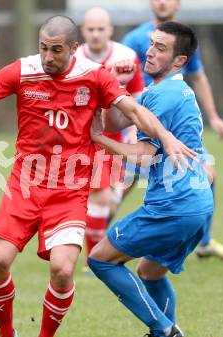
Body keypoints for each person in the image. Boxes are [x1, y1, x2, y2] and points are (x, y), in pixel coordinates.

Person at [0, 15, 196, 337]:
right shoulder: (22, 71)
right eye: (43, 48)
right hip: (24, 185)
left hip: (69, 190)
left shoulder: (94, 77)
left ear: (74, 49)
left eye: (56, 50)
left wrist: (165, 137)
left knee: (63, 269)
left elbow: (135, 111)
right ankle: (7, 333)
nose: (48, 57)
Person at [89, 21, 213, 337]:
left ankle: (164, 330)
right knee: (149, 272)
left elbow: (143, 154)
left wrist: (101, 141)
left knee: (100, 260)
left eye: (160, 48)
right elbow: (117, 117)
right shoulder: (162, 90)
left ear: (179, 61)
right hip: (196, 205)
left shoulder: (165, 95)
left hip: (173, 205)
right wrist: (114, 85)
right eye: (151, 44)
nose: (150, 51)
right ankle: (167, 331)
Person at [122, 0, 223, 260]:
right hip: (140, 122)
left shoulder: (183, 40)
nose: (162, 2)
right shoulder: (134, 38)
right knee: (121, 183)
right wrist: (132, 124)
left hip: (174, 122)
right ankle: (93, 239)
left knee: (207, 174)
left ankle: (204, 242)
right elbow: (124, 85)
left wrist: (214, 116)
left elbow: (197, 77)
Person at [75, 7, 144, 272]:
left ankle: (95, 245)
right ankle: (94, 260)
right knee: (100, 198)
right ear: (83, 31)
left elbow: (137, 94)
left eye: (100, 29)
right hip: (89, 138)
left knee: (110, 200)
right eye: (90, 29)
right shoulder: (75, 59)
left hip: (121, 137)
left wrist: (137, 130)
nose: (95, 34)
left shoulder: (127, 56)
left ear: (110, 30)